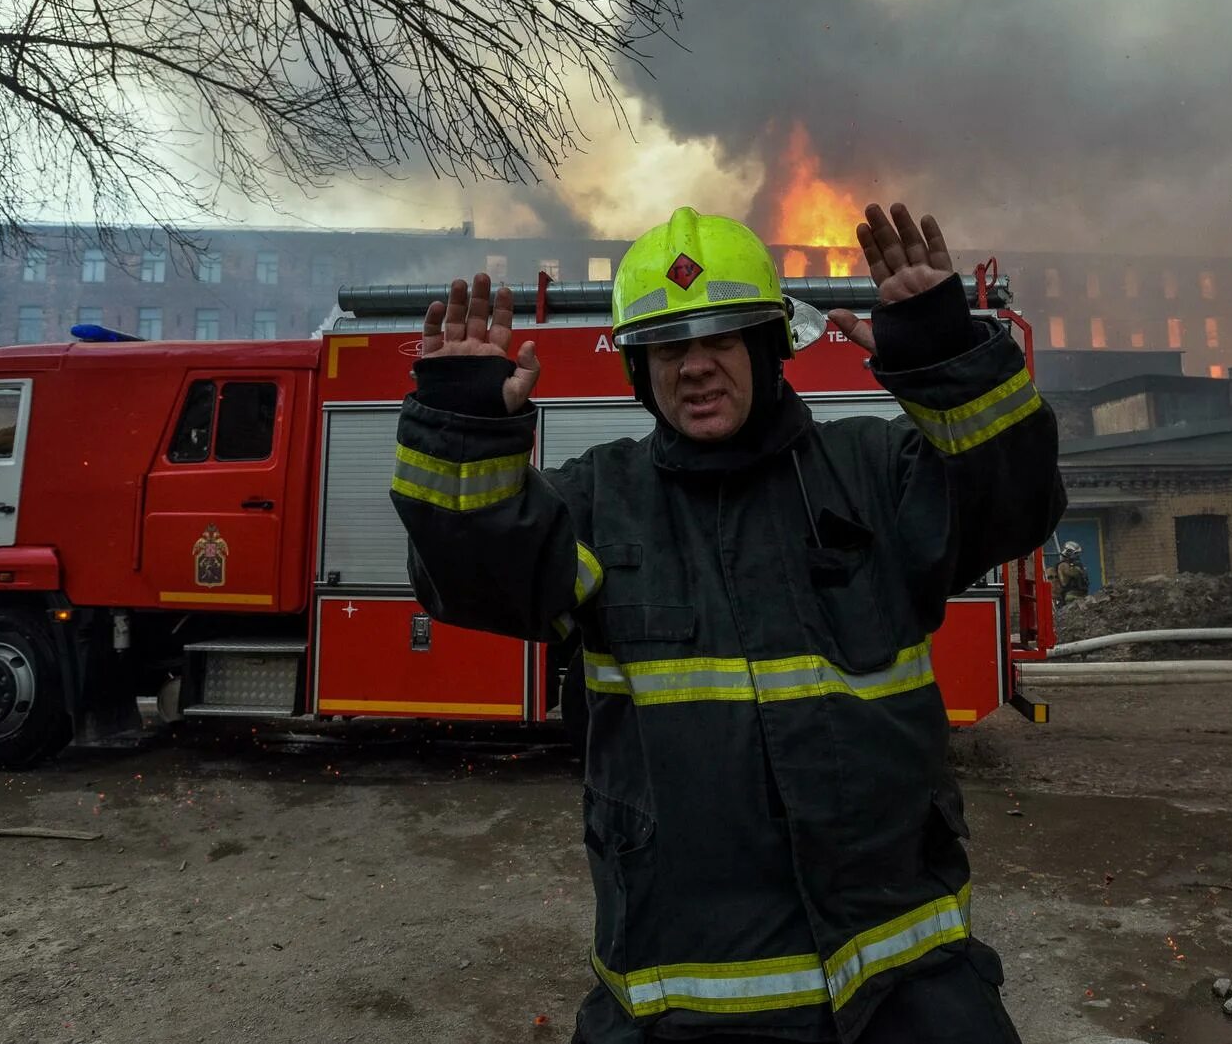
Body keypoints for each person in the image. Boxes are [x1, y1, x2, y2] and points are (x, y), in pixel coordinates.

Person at [390, 203, 1067, 1043]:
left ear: (769, 346)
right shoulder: (599, 503)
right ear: (641, 369)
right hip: (682, 1006)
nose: (697, 366)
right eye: (671, 346)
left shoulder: (870, 473)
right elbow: (471, 577)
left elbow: (1014, 501)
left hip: (904, 990)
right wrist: (463, 432)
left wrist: (944, 351)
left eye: (721, 338)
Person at [1048, 541, 1089, 605]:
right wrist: (1079, 568)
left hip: (1080, 595)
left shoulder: (1070, 564)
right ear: (1068, 552)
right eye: (1075, 553)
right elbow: (1076, 574)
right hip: (1071, 596)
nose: (1077, 556)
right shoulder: (1063, 565)